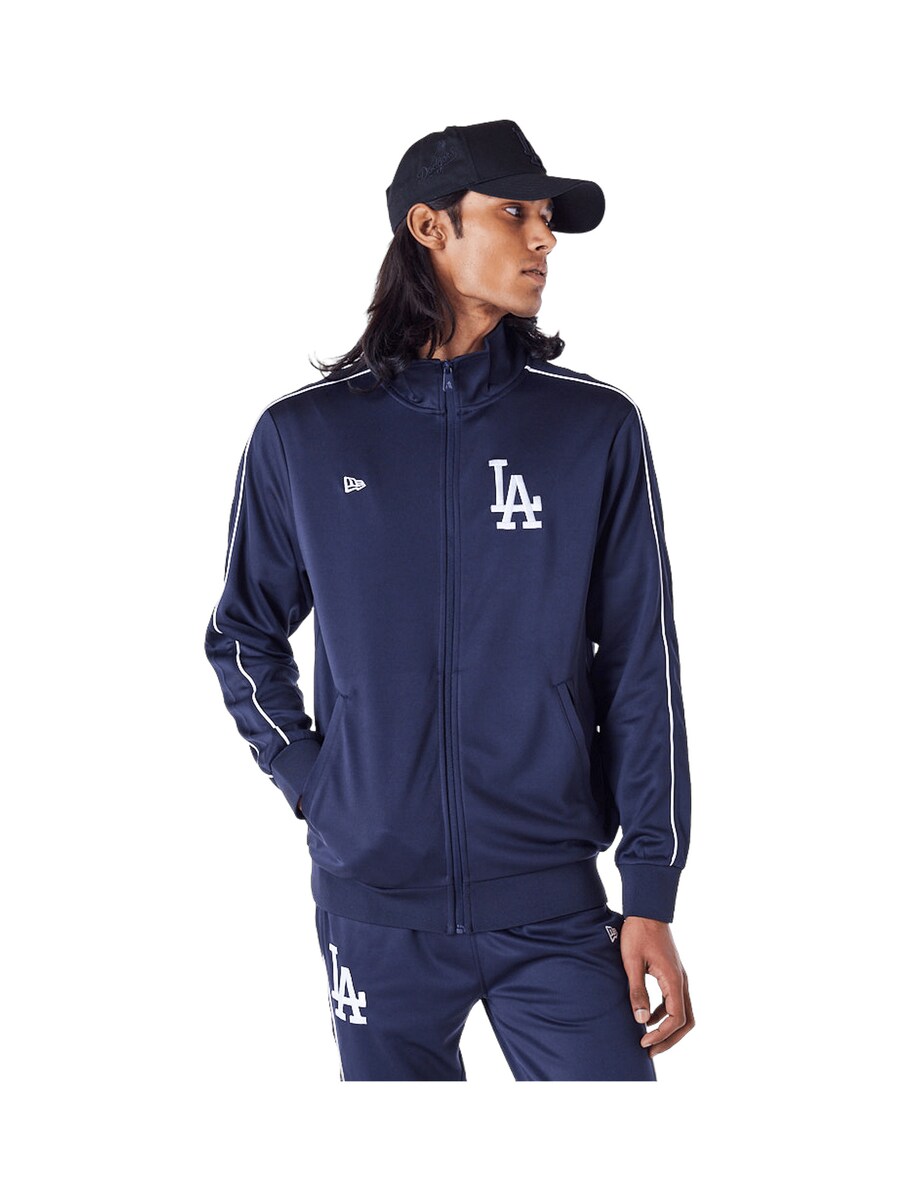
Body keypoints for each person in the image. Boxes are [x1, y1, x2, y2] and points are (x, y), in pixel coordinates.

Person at [204, 119, 695, 1081]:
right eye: (514, 213)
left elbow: (643, 665)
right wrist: (317, 783)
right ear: (429, 227)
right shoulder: (305, 436)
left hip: (554, 901)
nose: (544, 238)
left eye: (547, 218)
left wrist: (650, 889)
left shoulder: (593, 426)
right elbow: (242, 633)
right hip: (373, 908)